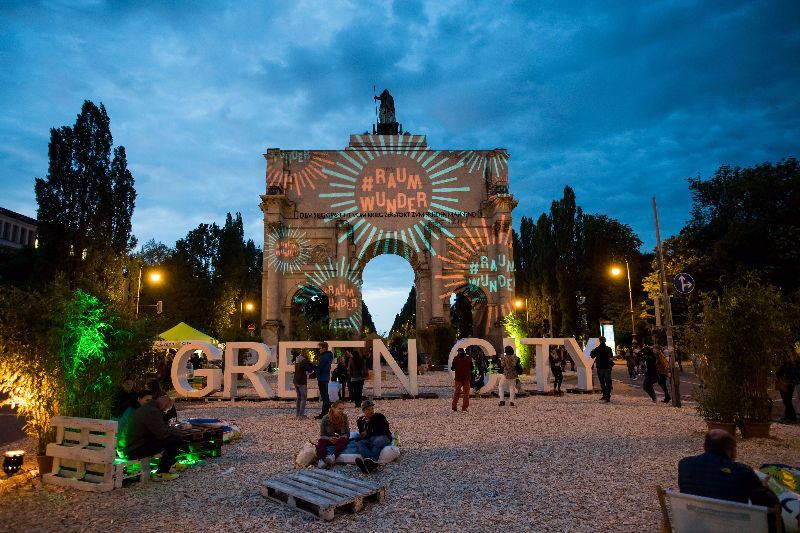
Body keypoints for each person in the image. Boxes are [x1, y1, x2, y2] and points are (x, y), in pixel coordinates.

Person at [678, 430, 779, 524]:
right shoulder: (742, 471)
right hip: (731, 526)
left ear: (704, 447)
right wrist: (765, 488)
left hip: (695, 526)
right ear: (731, 450)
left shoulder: (685, 465)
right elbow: (771, 506)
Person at [122, 391, 184, 481]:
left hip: (133, 446)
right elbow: (162, 434)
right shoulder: (153, 411)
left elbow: (157, 430)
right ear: (164, 405)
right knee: (175, 439)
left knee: (172, 437)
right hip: (134, 450)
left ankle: (170, 464)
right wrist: (175, 430)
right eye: (168, 408)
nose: (166, 411)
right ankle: (162, 473)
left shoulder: (147, 408)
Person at [355, 400, 391, 474]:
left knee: (376, 442)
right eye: (368, 409)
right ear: (363, 411)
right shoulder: (360, 421)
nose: (371, 411)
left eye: (372, 409)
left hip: (383, 437)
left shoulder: (379, 416)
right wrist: (362, 435)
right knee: (360, 443)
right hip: (369, 439)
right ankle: (370, 465)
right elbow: (361, 433)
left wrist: (368, 431)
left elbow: (384, 430)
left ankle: (370, 461)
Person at [314, 400, 350, 468]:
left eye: (343, 409)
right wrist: (329, 438)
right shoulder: (325, 419)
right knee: (321, 442)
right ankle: (320, 460)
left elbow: (347, 434)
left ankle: (333, 457)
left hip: (339, 440)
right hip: (329, 439)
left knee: (344, 440)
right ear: (333, 408)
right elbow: (322, 436)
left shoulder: (344, 417)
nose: (341, 411)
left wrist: (340, 437)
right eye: (339, 408)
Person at [776, 348, 799, 422]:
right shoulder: (791, 365)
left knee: (787, 401)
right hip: (789, 384)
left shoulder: (786, 365)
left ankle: (792, 417)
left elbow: (779, 373)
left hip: (786, 384)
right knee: (787, 401)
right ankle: (788, 416)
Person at [313, 342, 334, 419]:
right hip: (325, 378)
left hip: (322, 378)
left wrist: (312, 367)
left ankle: (324, 414)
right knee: (325, 396)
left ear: (324, 348)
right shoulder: (328, 356)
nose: (319, 350)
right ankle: (325, 413)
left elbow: (319, 368)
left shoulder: (324, 357)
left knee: (325, 397)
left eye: (320, 348)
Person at [590, 336, 614, 402]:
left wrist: (592, 351)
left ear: (600, 341)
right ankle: (608, 396)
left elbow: (592, 356)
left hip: (600, 367)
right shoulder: (608, 349)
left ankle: (604, 395)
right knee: (608, 382)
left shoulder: (597, 349)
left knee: (602, 382)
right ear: (605, 341)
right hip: (607, 367)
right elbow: (611, 357)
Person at [451, 347, 473, 412]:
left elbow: (452, 368)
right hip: (466, 378)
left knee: (457, 393)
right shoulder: (469, 358)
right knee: (466, 394)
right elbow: (472, 368)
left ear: (458, 352)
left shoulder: (455, 359)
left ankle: (454, 406)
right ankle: (464, 407)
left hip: (458, 378)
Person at [292, 349, 311, 419]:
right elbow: (310, 370)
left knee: (299, 397)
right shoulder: (304, 360)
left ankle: (297, 414)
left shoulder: (297, 359)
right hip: (302, 381)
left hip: (296, 380)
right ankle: (301, 415)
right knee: (303, 398)